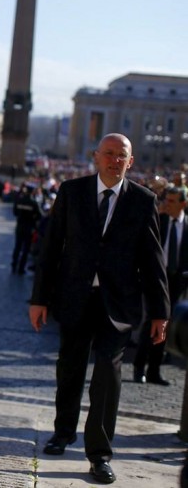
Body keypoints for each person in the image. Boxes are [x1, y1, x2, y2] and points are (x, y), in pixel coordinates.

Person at [29, 133, 170, 485]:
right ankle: (63, 433)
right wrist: (39, 299)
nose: (114, 160)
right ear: (95, 157)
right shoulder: (72, 192)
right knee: (70, 370)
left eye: (121, 155)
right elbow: (50, 248)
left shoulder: (142, 200)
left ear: (130, 161)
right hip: (74, 297)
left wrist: (159, 312)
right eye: (108, 154)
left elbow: (153, 260)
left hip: (118, 305)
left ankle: (100, 454)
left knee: (108, 373)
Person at [134, 186, 188, 386]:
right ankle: (139, 367)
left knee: (167, 323)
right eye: (167, 200)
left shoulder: (186, 226)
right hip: (156, 278)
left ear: (183, 204)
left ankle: (154, 370)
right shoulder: (159, 219)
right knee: (151, 321)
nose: (168, 204)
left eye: (173, 201)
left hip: (177, 282)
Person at [11, 183, 42, 275]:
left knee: (17, 247)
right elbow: (40, 215)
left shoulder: (19, 200)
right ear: (32, 191)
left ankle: (14, 266)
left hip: (19, 227)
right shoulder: (34, 203)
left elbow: (15, 212)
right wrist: (33, 218)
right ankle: (21, 268)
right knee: (25, 249)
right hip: (29, 228)